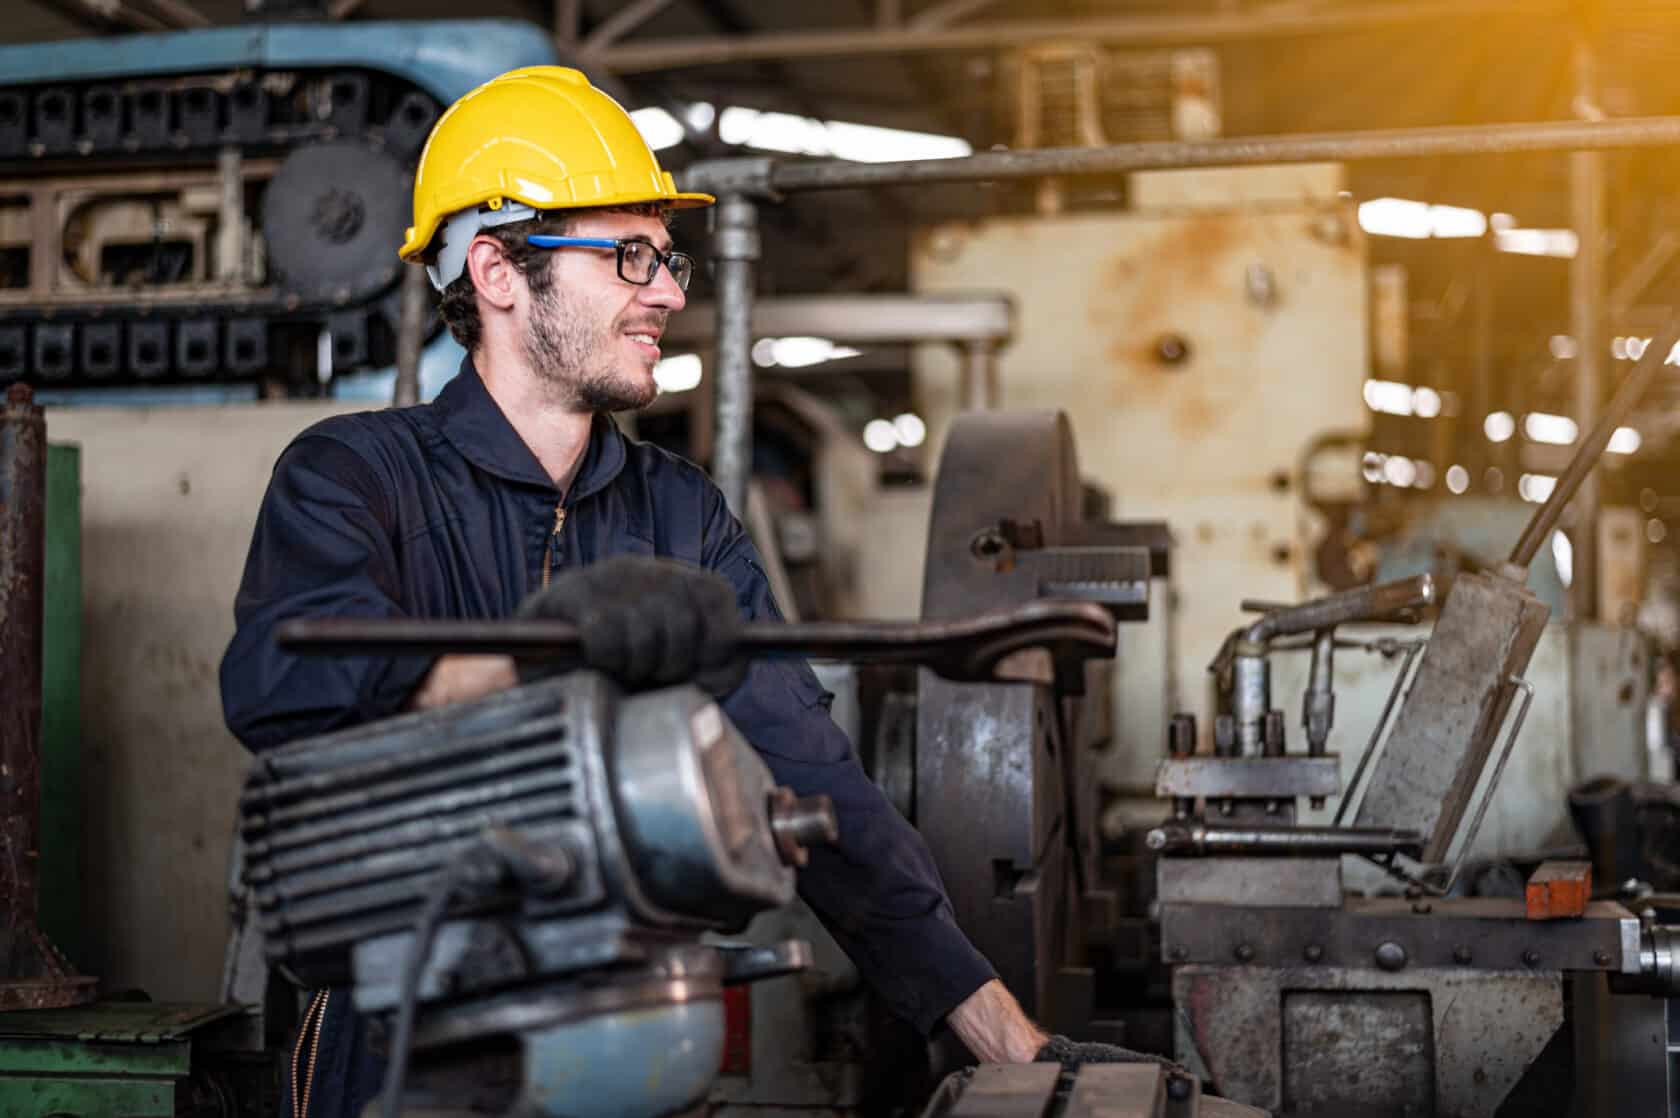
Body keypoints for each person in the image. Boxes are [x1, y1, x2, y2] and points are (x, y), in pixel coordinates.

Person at [220, 66, 1134, 1118]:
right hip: (401, 1047)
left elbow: (819, 783)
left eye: (668, 259)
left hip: (634, 1044)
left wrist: (1008, 1040)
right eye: (630, 255)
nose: (667, 291)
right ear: (498, 268)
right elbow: (279, 684)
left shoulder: (679, 514)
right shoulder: (352, 475)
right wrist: (542, 651)